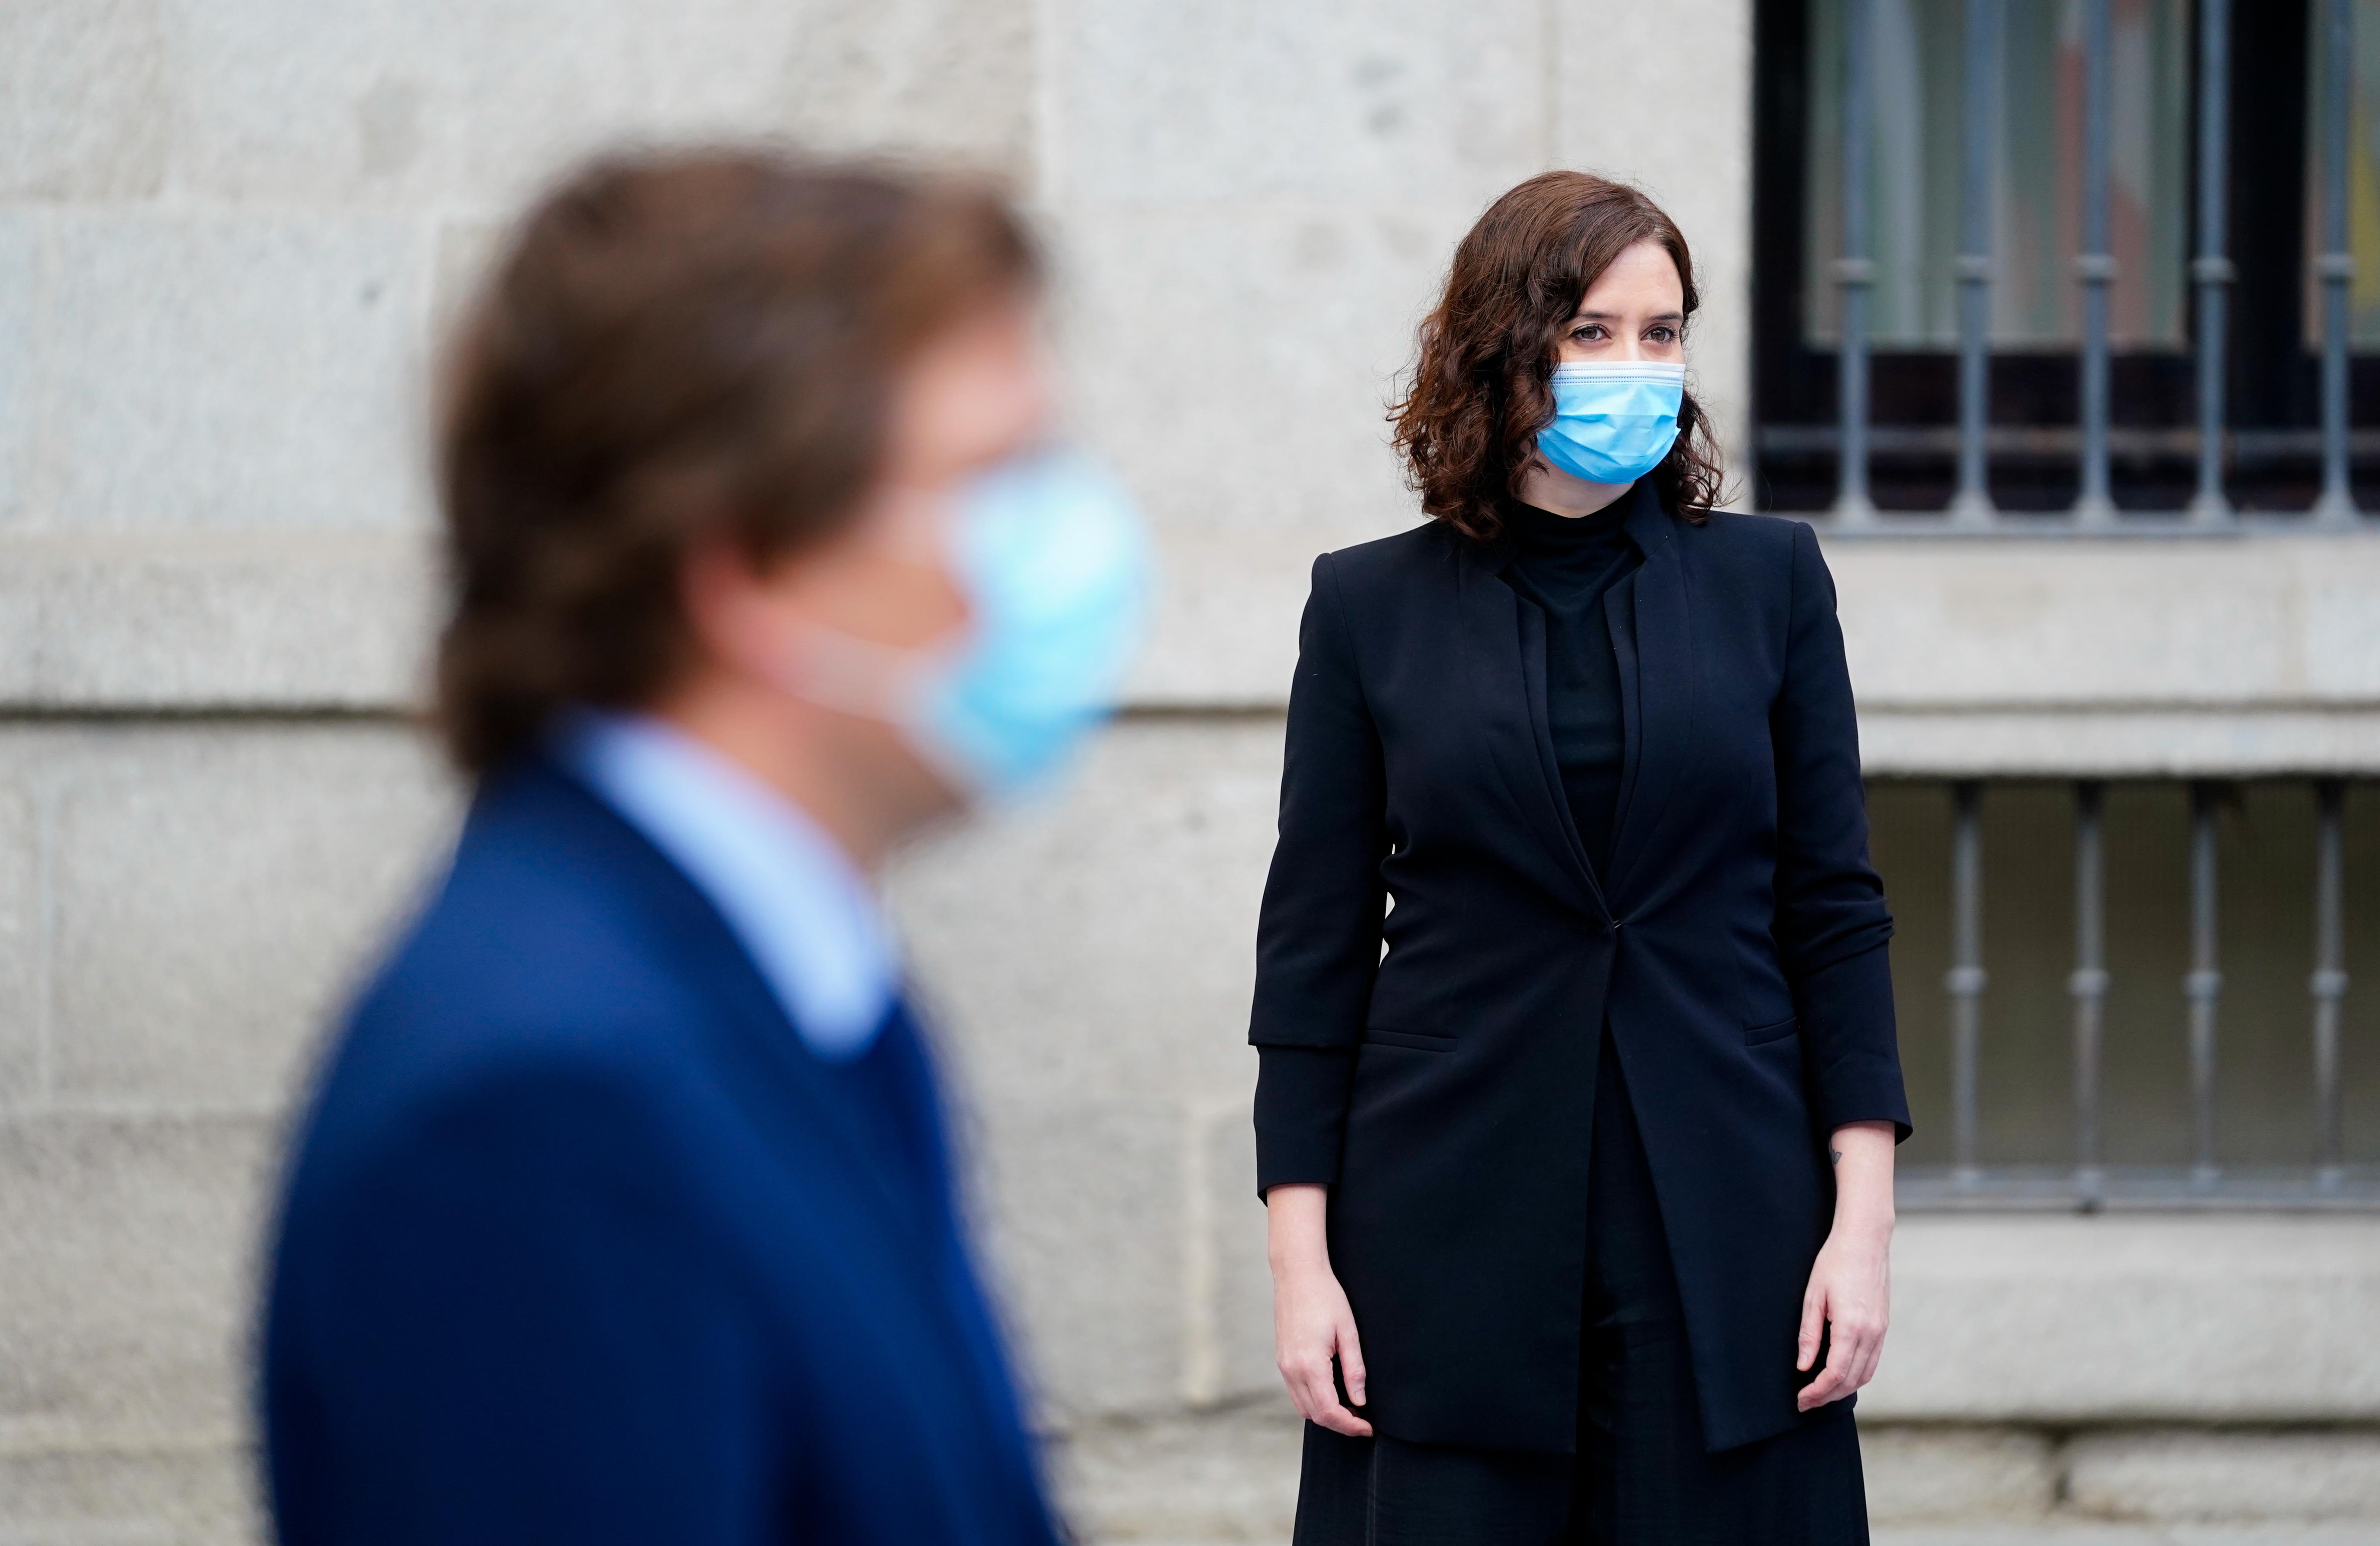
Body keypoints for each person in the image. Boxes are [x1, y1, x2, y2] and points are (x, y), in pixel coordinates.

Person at [260, 148, 1146, 1544]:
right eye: (995, 477)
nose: (1077, 544)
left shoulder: (796, 994)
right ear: (748, 568)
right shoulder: (537, 1110)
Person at [1249, 170, 1911, 1544]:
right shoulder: (1367, 607)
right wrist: (1299, 1259)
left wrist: (1863, 1223)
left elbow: (1833, 909)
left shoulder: (1771, 582)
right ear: (1506, 348)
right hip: (1447, 1220)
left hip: (1727, 1210)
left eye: (1661, 334)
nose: (1635, 366)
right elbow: (1314, 947)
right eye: (1593, 332)